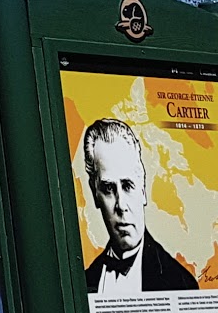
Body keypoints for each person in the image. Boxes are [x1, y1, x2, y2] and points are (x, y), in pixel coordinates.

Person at [83, 118, 200, 295]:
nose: (121, 205)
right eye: (108, 189)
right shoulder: (85, 282)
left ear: (142, 189)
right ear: (95, 194)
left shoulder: (180, 283)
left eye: (127, 186)